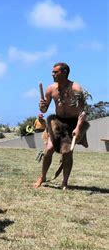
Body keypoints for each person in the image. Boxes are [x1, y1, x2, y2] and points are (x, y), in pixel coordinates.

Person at [34, 62, 90, 190]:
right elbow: (44, 110)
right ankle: (42, 176)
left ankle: (65, 182)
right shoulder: (50, 89)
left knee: (67, 152)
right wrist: (42, 106)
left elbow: (83, 111)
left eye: (55, 72)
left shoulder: (76, 88)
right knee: (48, 150)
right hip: (57, 121)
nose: (52, 74)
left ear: (64, 72)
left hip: (72, 122)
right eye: (52, 72)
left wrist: (78, 127)